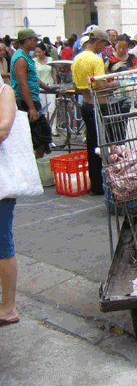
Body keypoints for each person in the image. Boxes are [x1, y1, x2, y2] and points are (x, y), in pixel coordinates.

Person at [71, 29, 119, 195]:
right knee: (106, 144)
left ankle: (96, 185)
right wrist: (114, 83)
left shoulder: (77, 59)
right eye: (104, 44)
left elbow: (77, 87)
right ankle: (110, 181)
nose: (104, 48)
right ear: (99, 42)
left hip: (85, 104)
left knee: (92, 144)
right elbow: (100, 86)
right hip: (99, 105)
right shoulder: (96, 59)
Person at [10, 29, 53, 159]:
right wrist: (31, 107)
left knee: (42, 135)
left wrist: (46, 87)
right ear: (27, 40)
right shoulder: (21, 58)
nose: (36, 43)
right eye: (34, 40)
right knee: (38, 136)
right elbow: (23, 84)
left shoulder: (26, 57)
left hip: (31, 100)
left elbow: (32, 77)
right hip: (26, 102)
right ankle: (37, 164)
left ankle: (38, 162)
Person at [0, 82, 20, 327]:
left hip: (1, 182)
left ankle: (8, 307)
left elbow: (4, 128)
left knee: (1, 241)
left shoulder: (4, 91)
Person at [34, 42, 58, 135]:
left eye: (39, 52)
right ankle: (45, 128)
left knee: (52, 108)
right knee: (43, 109)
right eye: (36, 52)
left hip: (50, 86)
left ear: (44, 51)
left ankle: (53, 128)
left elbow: (53, 73)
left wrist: (56, 84)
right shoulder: (34, 61)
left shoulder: (50, 60)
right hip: (40, 88)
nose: (37, 54)